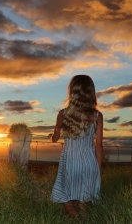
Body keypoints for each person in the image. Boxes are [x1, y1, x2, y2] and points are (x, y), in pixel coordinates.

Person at [49, 75, 103, 218]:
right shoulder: (97, 116)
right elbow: (98, 146)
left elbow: (55, 139)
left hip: (70, 162)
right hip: (89, 162)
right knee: (85, 199)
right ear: (91, 92)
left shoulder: (63, 113)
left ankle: (75, 218)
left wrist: (55, 131)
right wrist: (98, 168)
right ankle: (83, 219)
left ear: (72, 91)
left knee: (64, 193)